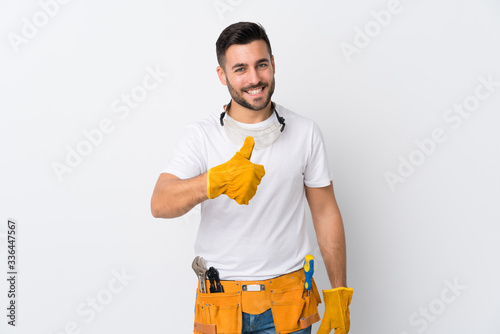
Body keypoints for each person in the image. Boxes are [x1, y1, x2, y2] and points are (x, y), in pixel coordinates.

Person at [151, 22, 353, 334]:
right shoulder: (201, 135)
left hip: (289, 302)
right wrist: (214, 180)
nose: (254, 78)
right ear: (222, 76)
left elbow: (325, 211)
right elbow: (160, 203)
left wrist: (339, 292)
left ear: (273, 64)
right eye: (240, 69)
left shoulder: (305, 132)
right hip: (220, 303)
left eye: (261, 65)